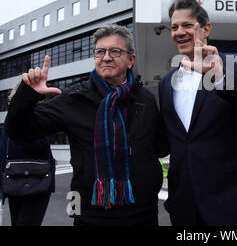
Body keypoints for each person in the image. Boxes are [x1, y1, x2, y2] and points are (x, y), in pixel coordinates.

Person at [5, 24, 169, 226]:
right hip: (92, 217)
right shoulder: (74, 98)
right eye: (100, 51)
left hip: (143, 214)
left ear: (131, 60)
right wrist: (27, 94)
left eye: (115, 51)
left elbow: (160, 146)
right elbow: (19, 131)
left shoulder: (145, 99)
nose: (106, 57)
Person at [158, 0, 237, 226]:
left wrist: (219, 79)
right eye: (174, 27)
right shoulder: (166, 83)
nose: (179, 32)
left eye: (187, 25)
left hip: (232, 202)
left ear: (206, 29)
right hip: (184, 207)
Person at [0, 121, 55, 226]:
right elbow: (3, 150)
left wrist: (17, 129)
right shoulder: (11, 117)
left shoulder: (43, 114)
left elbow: (44, 143)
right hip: (13, 178)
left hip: (38, 180)